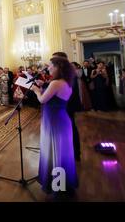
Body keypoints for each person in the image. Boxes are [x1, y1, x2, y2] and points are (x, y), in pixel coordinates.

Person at [30, 57, 78, 195]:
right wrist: (43, 85)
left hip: (54, 122)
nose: (48, 68)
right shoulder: (64, 82)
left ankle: (58, 187)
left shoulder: (56, 83)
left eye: (50, 65)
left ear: (58, 67)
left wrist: (36, 90)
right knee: (61, 154)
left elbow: (43, 99)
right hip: (61, 119)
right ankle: (61, 185)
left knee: (55, 153)